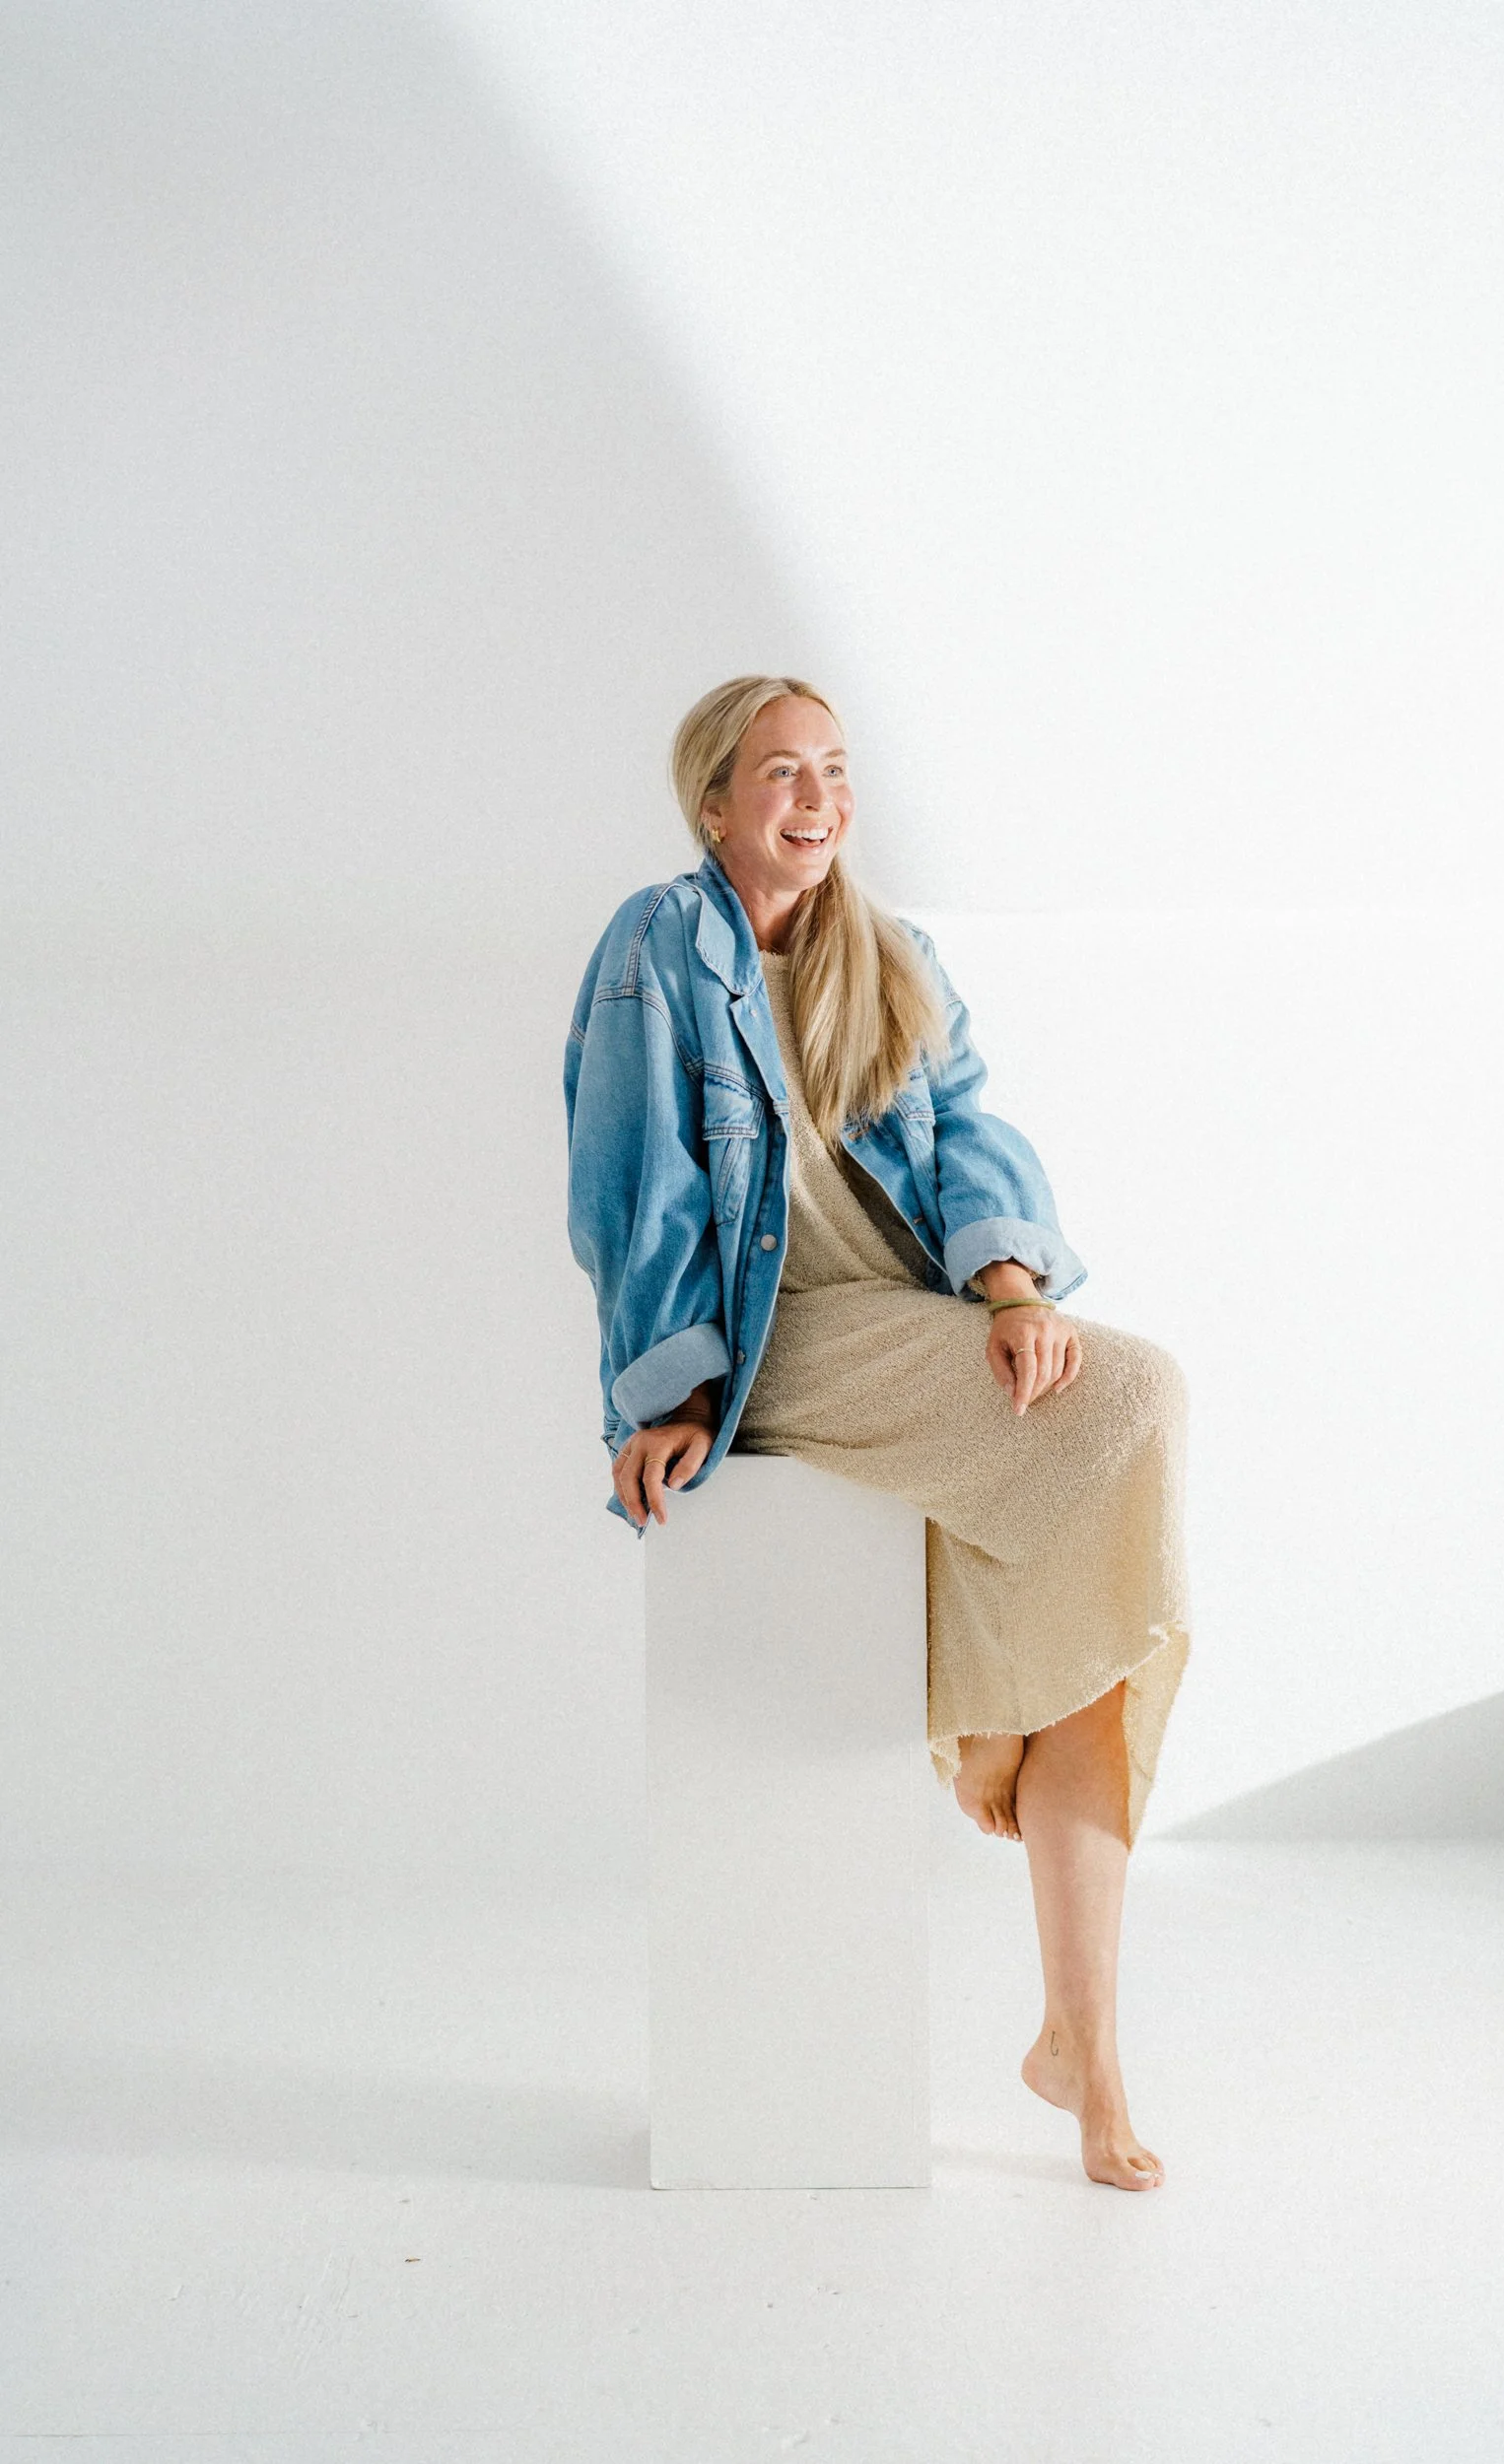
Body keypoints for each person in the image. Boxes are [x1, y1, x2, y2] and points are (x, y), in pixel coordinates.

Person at [564, 674, 1192, 2191]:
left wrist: (1009, 1283)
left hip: (905, 1321)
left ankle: (1081, 2052)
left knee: (1105, 1569)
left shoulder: (886, 953)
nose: (817, 796)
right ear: (712, 801)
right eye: (780, 772)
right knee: (1137, 1397)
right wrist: (676, 1394)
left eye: (834, 770)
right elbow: (627, 1184)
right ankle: (988, 1719)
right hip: (781, 1341)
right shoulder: (660, 948)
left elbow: (966, 1123)